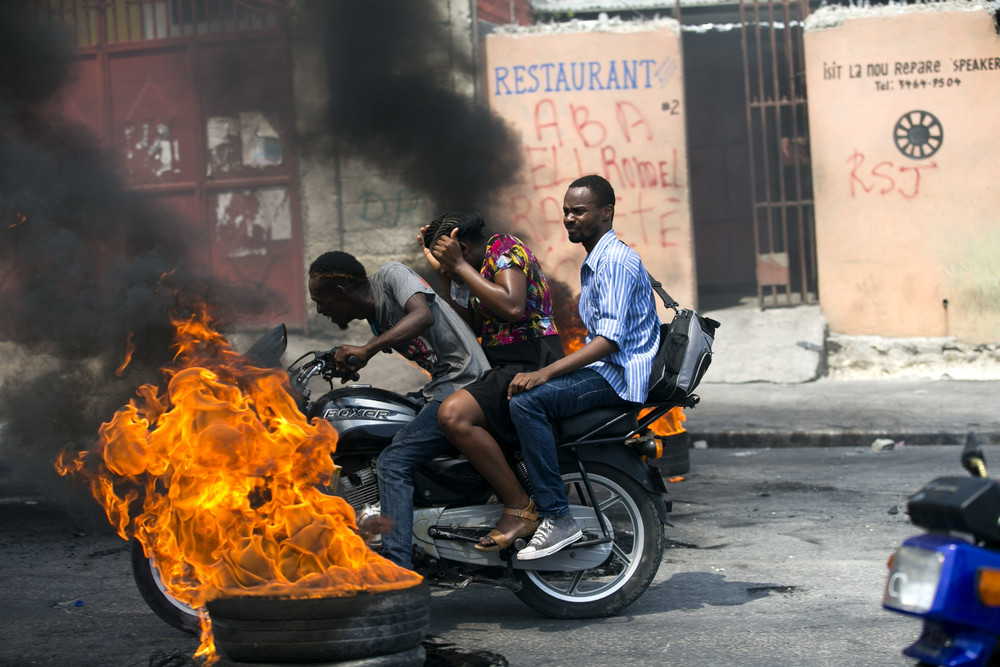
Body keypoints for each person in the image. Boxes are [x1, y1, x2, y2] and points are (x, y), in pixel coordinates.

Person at [506, 174, 660, 561]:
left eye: (579, 211)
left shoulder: (615, 262)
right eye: (565, 211)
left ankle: (557, 517)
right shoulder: (597, 260)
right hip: (608, 370)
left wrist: (547, 372)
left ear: (606, 213)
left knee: (527, 403)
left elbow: (608, 341)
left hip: (618, 377)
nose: (569, 218)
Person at [307, 250, 490, 570]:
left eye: (321, 301)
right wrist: (349, 363)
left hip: (465, 384)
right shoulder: (377, 319)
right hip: (442, 387)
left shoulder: (391, 275)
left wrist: (366, 350)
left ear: (340, 293)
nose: (320, 310)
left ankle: (397, 566)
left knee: (393, 462)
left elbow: (422, 316)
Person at [417, 211, 564, 552]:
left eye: (452, 257)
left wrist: (459, 267)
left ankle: (519, 507)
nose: (452, 265)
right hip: (502, 364)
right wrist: (446, 275)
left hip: (531, 360)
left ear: (462, 246)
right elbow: (474, 326)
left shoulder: (504, 247)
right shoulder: (478, 269)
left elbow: (512, 307)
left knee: (453, 415)